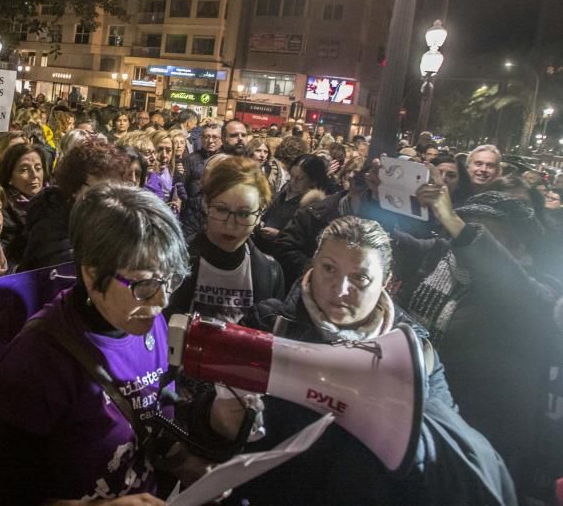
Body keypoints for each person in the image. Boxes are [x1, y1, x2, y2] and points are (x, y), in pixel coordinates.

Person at [232, 216, 515, 506]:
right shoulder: (270, 324)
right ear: (313, 265)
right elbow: (208, 414)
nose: (340, 289)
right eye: (329, 269)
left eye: (360, 278)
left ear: (386, 282)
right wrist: (217, 417)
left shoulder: (416, 352)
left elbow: (439, 446)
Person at [0, 183, 197, 503]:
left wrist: (203, 447)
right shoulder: (36, 358)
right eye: (144, 284)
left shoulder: (147, 319)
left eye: (171, 280)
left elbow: (157, 428)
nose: (162, 300)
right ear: (90, 274)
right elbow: (7, 494)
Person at [398, 187, 563, 499]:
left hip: (485, 435)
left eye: (479, 233)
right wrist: (383, 195)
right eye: (464, 224)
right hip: (425, 419)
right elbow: (389, 239)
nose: (462, 237)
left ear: (517, 244)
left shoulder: (536, 291)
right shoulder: (438, 263)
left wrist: (453, 220)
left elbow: (502, 276)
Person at [167, 157, 284, 322]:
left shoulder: (271, 272)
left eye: (244, 214)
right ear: (206, 204)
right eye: (222, 210)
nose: (230, 226)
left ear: (260, 214)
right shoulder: (174, 261)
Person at [21, 139, 130, 269]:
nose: (113, 198)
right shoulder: (49, 226)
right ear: (75, 188)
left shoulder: (114, 220)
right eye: (103, 189)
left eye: (117, 188)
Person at [256, 153, 329, 251]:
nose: (292, 182)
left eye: (299, 178)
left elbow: (306, 242)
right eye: (291, 176)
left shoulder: (313, 206)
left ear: (313, 180)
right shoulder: (281, 194)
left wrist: (279, 235)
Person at [0, 143, 47, 262]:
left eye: (38, 168)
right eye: (24, 170)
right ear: (9, 177)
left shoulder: (53, 201)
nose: (34, 175)